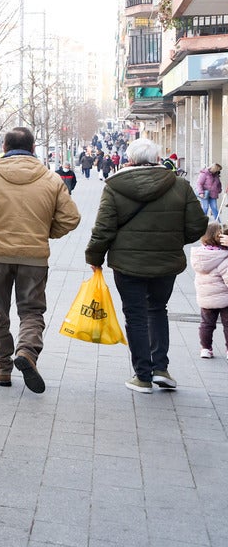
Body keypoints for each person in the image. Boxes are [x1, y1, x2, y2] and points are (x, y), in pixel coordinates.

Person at [0, 127, 81, 392]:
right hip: (34, 257)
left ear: (4, 147)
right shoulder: (51, 179)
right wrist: (46, 233)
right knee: (32, 311)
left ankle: (2, 370)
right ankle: (26, 351)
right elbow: (71, 218)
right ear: (34, 148)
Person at [86, 138, 208, 394]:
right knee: (158, 309)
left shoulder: (114, 186)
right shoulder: (180, 186)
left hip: (127, 264)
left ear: (129, 159)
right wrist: (174, 241)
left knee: (136, 315)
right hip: (166, 263)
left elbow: (103, 229)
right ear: (156, 158)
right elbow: (198, 225)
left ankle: (142, 376)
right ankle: (161, 369)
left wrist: (94, 258)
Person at [191, 222, 228, 360]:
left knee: (206, 324)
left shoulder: (201, 255)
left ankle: (205, 348)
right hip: (224, 298)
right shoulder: (224, 257)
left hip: (205, 297)